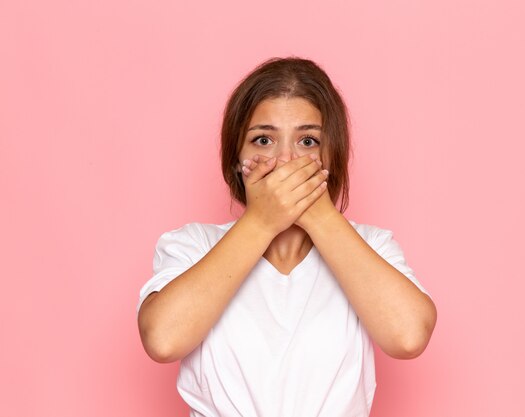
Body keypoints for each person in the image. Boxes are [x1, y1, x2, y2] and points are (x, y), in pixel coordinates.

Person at [136, 56, 437, 417]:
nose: (285, 160)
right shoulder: (193, 245)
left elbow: (408, 336)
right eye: (263, 140)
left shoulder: (370, 246)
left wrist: (319, 214)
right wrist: (262, 222)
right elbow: (163, 340)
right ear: (237, 159)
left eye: (308, 142)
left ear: (332, 157)